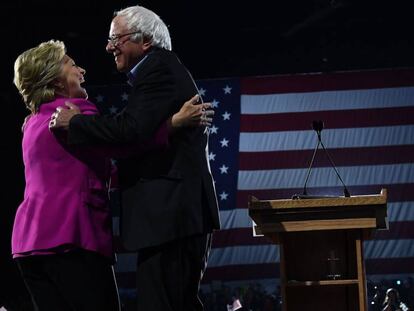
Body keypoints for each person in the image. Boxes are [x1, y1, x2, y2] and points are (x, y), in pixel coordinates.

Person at [13, 40, 212, 311]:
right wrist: (172, 124)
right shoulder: (75, 114)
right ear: (56, 80)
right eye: (72, 65)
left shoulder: (32, 122)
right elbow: (127, 141)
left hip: (28, 245)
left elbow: (103, 172)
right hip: (73, 237)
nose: (82, 70)